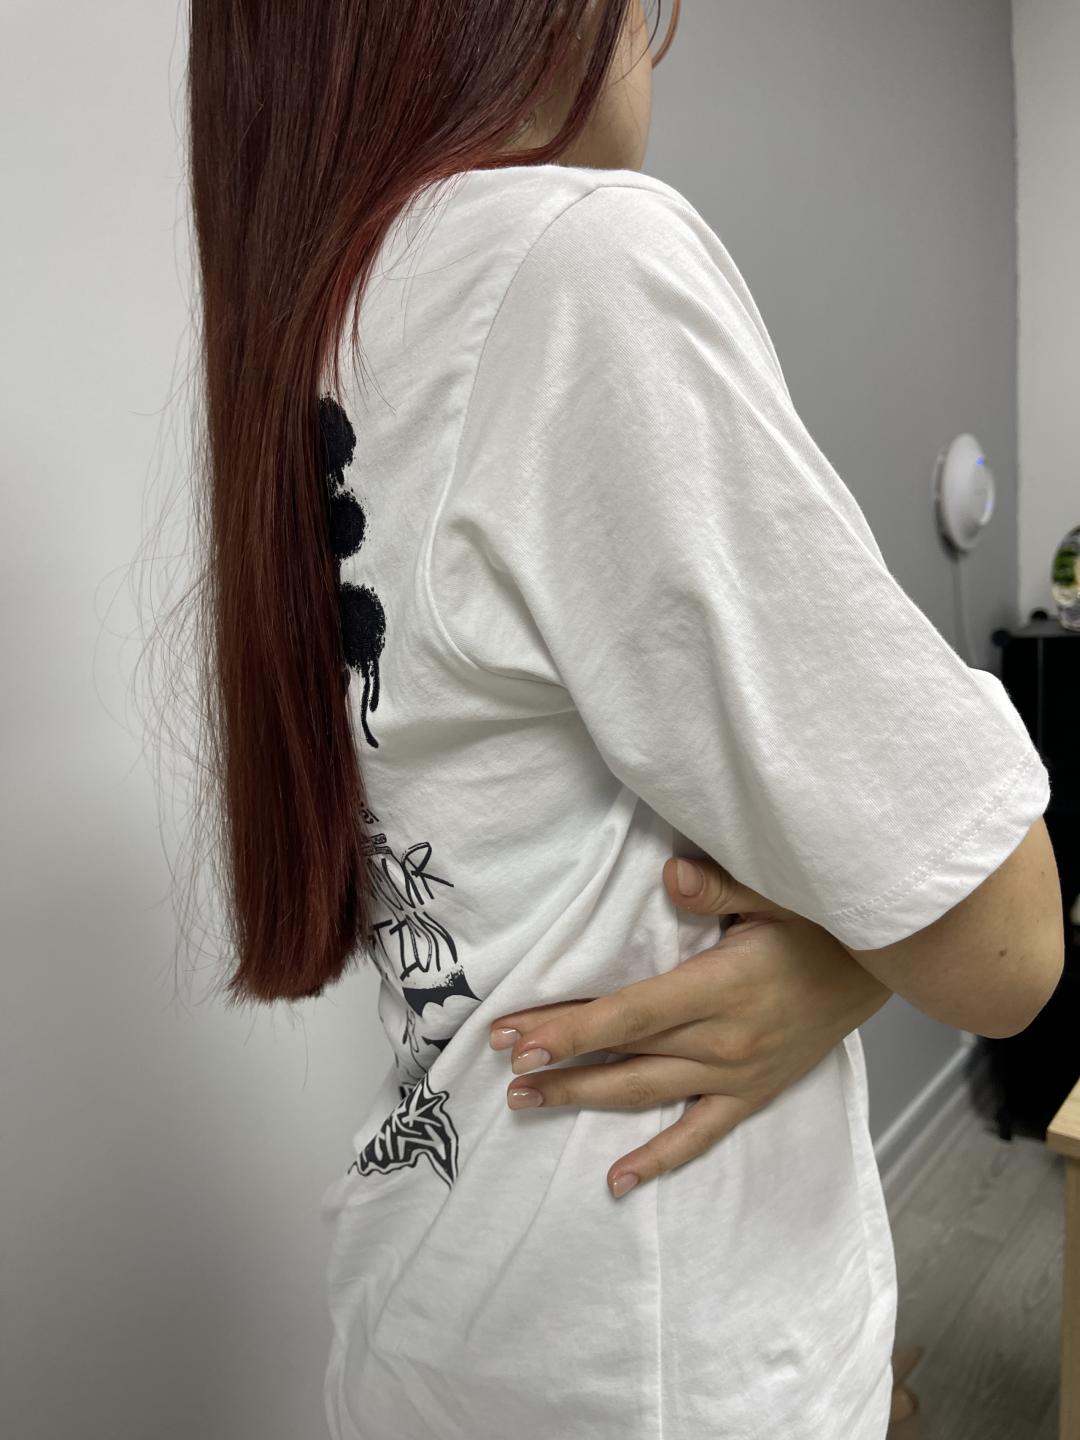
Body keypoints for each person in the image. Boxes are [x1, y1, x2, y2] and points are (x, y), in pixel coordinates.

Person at [182, 3, 1054, 1436]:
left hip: (439, 1323)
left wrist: (843, 960)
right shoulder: (576, 266)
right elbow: (1008, 939)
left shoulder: (323, 314)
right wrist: (859, 948)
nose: (654, 36)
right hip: (658, 1350)